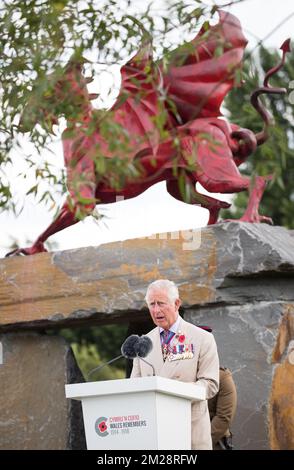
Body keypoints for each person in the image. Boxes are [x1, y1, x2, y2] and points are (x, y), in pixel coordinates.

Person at [131, 279, 219, 450]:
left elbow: (211, 384)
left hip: (190, 432)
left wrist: (173, 392)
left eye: (161, 304)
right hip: (155, 435)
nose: (156, 310)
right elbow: (135, 387)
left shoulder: (202, 338)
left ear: (177, 303)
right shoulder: (142, 343)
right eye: (151, 304)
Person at [208, 367, 237, 450]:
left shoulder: (223, 378)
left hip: (213, 442)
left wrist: (200, 443)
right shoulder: (187, 374)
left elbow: (223, 418)